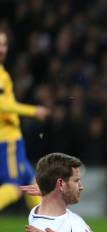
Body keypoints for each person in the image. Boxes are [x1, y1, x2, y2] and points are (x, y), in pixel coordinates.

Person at [0, 29, 50, 211]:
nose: (1, 48)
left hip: (13, 139)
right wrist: (33, 110)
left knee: (33, 184)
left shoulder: (3, 72)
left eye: (4, 44)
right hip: (7, 139)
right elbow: (2, 105)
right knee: (14, 186)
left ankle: (44, 227)